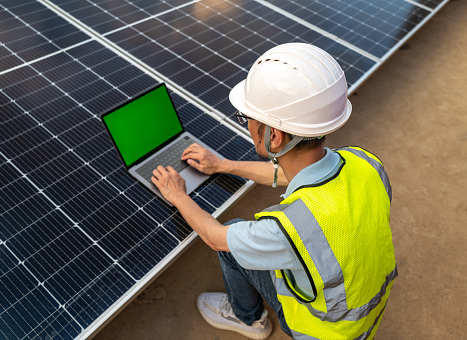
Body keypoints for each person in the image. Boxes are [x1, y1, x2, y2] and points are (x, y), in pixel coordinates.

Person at [151, 43, 397, 340]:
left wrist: (177, 194)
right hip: (366, 316)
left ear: (274, 136)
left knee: (232, 238)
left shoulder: (288, 229)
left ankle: (249, 320)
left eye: (248, 119)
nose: (247, 125)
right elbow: (291, 174)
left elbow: (216, 239)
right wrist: (223, 165)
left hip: (321, 331)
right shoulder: (366, 163)